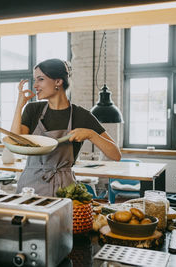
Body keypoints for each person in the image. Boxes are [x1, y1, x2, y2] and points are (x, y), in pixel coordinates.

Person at [11, 58, 121, 197]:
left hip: (64, 189)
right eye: (35, 80)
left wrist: (91, 134)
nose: (35, 85)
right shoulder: (33, 110)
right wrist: (19, 105)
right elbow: (16, 143)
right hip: (29, 188)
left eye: (40, 79)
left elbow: (115, 155)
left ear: (58, 81)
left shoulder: (81, 115)